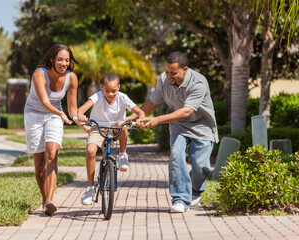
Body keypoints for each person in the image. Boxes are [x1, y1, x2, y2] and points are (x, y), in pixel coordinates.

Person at [136, 51, 218, 213]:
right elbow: (153, 101)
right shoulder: (163, 80)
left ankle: (195, 190)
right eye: (167, 72)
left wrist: (158, 120)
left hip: (202, 126)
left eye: (173, 73)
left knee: (202, 167)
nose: (169, 76)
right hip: (178, 125)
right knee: (176, 155)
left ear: (185, 70)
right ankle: (180, 198)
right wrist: (135, 115)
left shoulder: (199, 82)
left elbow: (186, 111)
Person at [24, 44, 79, 216]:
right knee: (39, 163)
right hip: (34, 114)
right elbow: (45, 103)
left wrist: (81, 120)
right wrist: (61, 114)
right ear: (51, 60)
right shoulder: (39, 74)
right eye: (60, 59)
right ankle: (44, 199)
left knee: (52, 154)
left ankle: (49, 200)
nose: (64, 63)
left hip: (55, 115)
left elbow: (72, 109)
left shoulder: (72, 78)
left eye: (67, 60)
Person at [77, 72, 145, 205]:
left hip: (115, 128)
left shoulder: (123, 98)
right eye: (107, 90)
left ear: (118, 87)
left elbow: (139, 111)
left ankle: (123, 154)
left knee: (122, 124)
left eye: (114, 91)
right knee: (91, 151)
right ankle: (90, 188)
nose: (110, 94)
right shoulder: (97, 96)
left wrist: (141, 117)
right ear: (102, 87)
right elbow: (82, 109)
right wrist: (81, 115)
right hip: (98, 128)